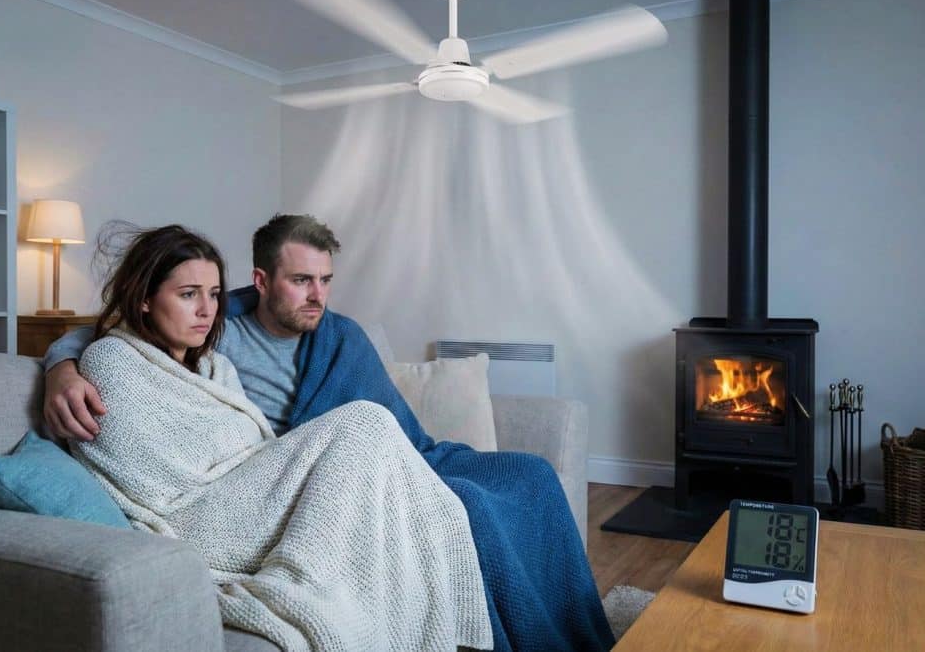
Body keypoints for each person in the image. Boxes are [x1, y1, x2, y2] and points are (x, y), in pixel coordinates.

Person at [45, 214, 616, 652]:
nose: (317, 295)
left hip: (350, 463)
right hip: (278, 479)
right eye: (300, 281)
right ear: (263, 282)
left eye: (325, 280)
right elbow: (110, 341)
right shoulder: (219, 331)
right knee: (461, 503)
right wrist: (59, 366)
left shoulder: (332, 337)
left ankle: (575, 633)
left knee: (530, 474)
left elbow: (395, 428)